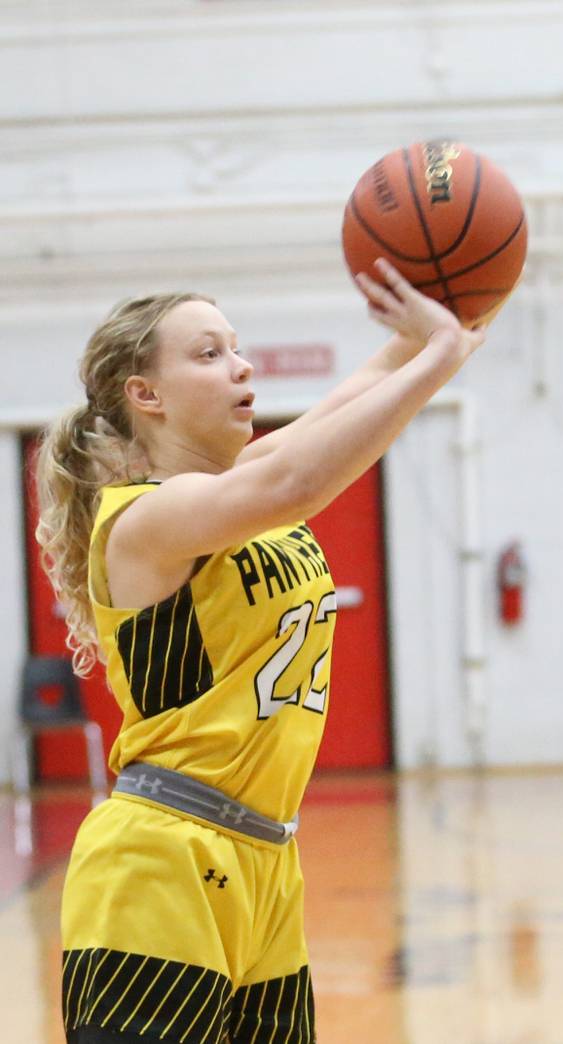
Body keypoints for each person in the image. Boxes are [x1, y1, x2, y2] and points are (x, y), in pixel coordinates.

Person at [35, 258, 483, 1043]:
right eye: (208, 354)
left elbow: (320, 427)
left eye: (236, 348)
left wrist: (415, 340)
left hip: (266, 863)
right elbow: (296, 486)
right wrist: (440, 358)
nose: (241, 366)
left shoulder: (238, 486)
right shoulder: (141, 521)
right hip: (161, 862)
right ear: (148, 395)